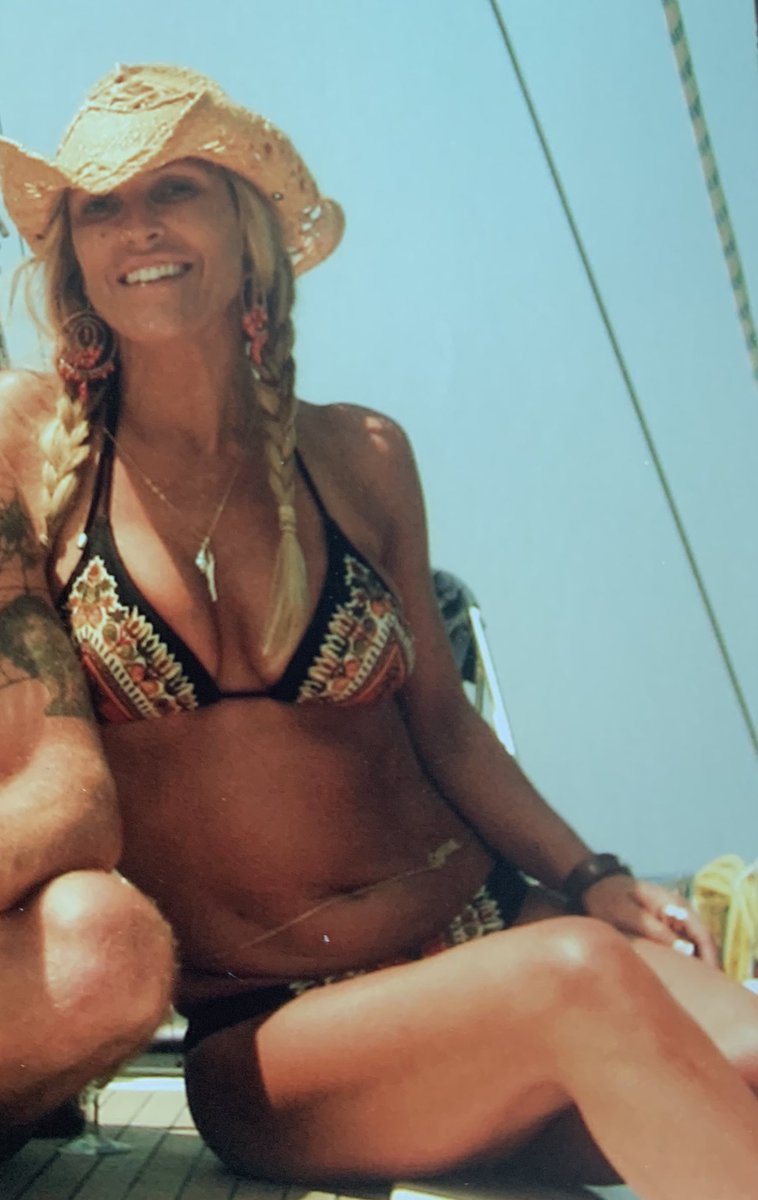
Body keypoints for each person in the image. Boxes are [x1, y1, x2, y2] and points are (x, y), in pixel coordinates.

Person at [0, 62, 757, 1200]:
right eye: (102, 204)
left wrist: (589, 872)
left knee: (734, 1055)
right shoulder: (32, 450)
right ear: (73, 254)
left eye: (175, 190)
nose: (139, 226)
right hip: (279, 1033)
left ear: (249, 232)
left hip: (492, 922)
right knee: (580, 980)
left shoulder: (362, 455)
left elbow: (444, 725)